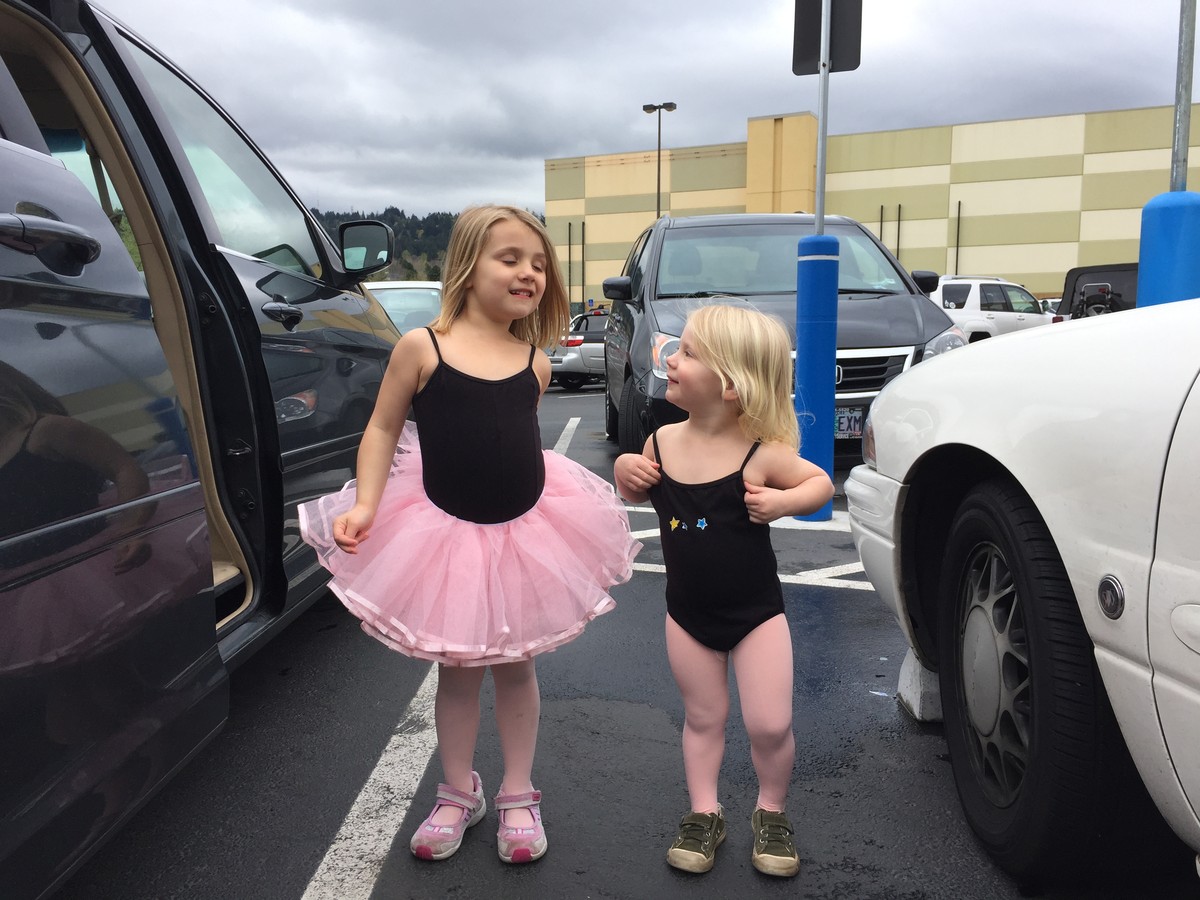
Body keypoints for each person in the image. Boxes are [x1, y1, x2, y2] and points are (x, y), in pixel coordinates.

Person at [298, 205, 639, 865]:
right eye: (510, 258)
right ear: (467, 266)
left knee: (517, 666)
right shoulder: (422, 347)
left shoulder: (533, 363)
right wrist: (366, 503)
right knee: (456, 670)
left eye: (539, 264)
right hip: (444, 528)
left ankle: (518, 791)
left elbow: (517, 440)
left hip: (525, 528)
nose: (529, 273)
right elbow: (381, 430)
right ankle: (459, 790)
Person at [613, 304, 833, 878]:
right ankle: (704, 812)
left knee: (769, 724)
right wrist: (623, 473)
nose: (671, 359)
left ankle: (771, 811)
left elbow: (819, 482)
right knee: (703, 717)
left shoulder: (759, 452)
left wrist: (784, 502)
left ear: (731, 386)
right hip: (687, 614)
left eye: (686, 353)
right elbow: (636, 491)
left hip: (757, 614)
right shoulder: (660, 441)